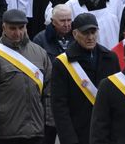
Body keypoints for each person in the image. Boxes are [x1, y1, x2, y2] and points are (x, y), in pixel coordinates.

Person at [0, 9, 52, 144]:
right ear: (3, 27)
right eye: (12, 28)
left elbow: (50, 90)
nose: (17, 33)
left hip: (37, 129)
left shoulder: (40, 53)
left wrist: (49, 120)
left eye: (21, 28)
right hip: (6, 131)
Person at [51, 13, 120, 144]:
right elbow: (59, 107)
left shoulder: (110, 58)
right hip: (79, 132)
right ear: (75, 34)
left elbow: (117, 98)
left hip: (107, 133)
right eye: (85, 33)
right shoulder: (62, 63)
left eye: (93, 32)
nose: (90, 37)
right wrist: (69, 139)